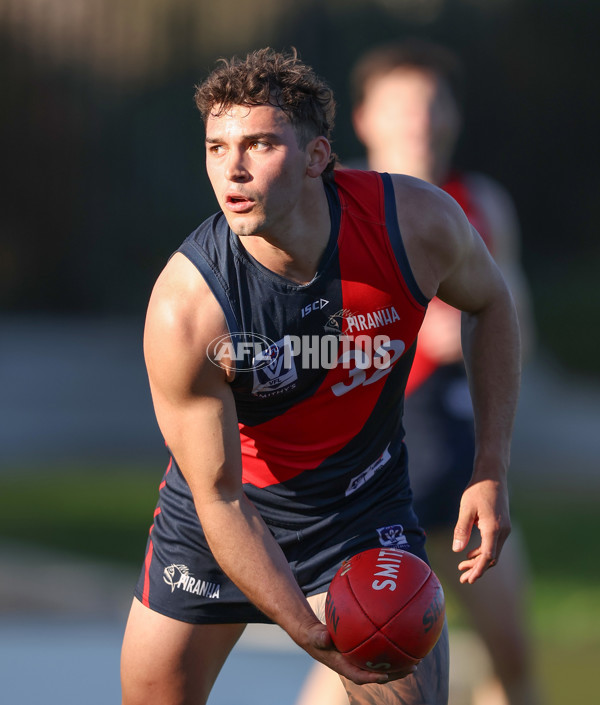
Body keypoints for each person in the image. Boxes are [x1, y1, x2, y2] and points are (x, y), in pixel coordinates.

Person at [120, 47, 521, 705]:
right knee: (152, 692)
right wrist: (309, 630)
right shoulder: (187, 307)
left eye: (259, 144)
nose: (234, 168)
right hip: (226, 508)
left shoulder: (411, 225)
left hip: (361, 508)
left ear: (316, 157)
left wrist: (490, 463)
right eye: (217, 147)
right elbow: (219, 497)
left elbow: (491, 301)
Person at [296, 40, 540, 705]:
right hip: (370, 470)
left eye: (434, 104)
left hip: (459, 461)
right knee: (363, 652)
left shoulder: (481, 204)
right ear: (366, 118)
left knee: (515, 657)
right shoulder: (329, 206)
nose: (420, 120)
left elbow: (513, 322)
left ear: (454, 116)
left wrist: (478, 326)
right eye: (403, 105)